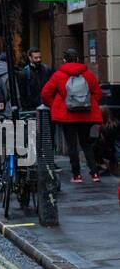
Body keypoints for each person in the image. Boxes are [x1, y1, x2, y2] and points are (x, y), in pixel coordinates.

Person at [41, 48, 103, 183]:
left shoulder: (58, 75)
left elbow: (45, 93)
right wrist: (86, 104)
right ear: (77, 59)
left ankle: (77, 175)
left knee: (72, 146)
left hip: (67, 116)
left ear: (64, 60)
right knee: (86, 144)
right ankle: (94, 174)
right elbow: (98, 93)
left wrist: (56, 105)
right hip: (86, 115)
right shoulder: (88, 74)